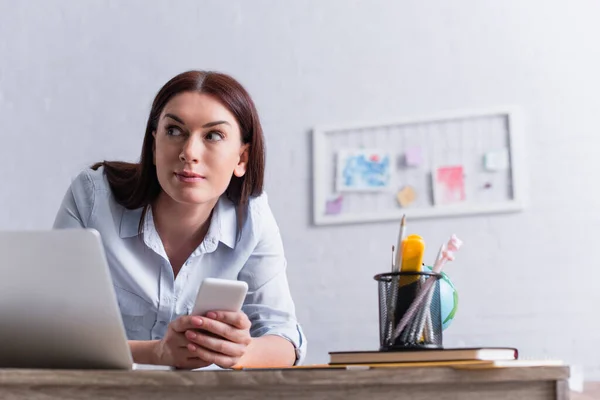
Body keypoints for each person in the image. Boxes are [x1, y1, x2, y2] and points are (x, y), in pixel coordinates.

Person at [53, 70, 306, 369]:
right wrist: (156, 353)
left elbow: (286, 339)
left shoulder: (252, 218)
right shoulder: (92, 197)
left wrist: (238, 351)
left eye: (213, 135)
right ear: (154, 144)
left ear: (242, 159)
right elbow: (52, 331)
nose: (189, 152)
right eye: (174, 131)